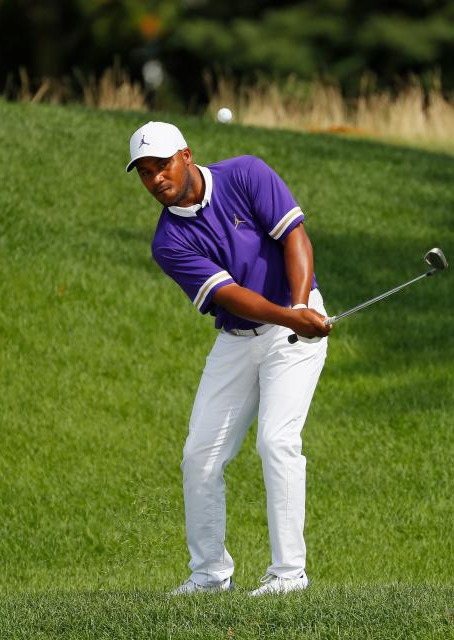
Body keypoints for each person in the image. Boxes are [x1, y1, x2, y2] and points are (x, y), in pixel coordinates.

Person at [127, 121, 332, 596]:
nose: (155, 178)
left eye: (162, 165)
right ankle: (210, 575)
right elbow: (232, 295)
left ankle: (288, 576)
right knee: (199, 455)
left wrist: (299, 309)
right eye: (144, 173)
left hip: (296, 318)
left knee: (276, 441)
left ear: (186, 155)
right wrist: (288, 315)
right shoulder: (168, 243)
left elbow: (295, 238)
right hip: (242, 336)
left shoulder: (245, 174)